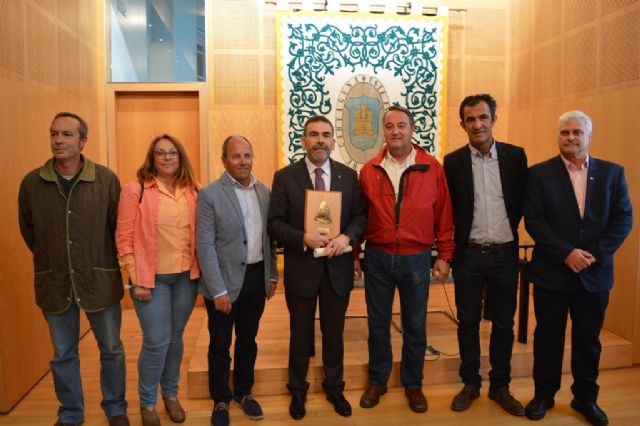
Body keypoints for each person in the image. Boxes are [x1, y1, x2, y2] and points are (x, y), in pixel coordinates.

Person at [18, 112, 129, 426]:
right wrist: (57, 258)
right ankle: (70, 412)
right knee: (63, 353)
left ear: (83, 141)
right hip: (55, 282)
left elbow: (117, 229)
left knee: (112, 349)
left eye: (67, 135)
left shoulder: (106, 180)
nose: (58, 140)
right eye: (54, 133)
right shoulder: (32, 183)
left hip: (99, 280)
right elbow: (30, 232)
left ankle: (115, 408)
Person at [523, 111, 632, 426]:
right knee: (548, 337)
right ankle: (544, 395)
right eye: (565, 133)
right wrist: (566, 253)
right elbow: (535, 221)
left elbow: (623, 218)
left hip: (594, 274)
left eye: (577, 132)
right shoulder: (539, 174)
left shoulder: (612, 173)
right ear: (558, 137)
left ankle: (585, 398)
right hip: (552, 272)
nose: (570, 138)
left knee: (588, 341)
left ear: (588, 136)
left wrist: (593, 254)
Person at [268, 115, 367, 420]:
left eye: (325, 135)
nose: (320, 140)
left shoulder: (348, 176)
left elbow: (360, 216)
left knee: (334, 334)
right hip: (302, 268)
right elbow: (274, 223)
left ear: (333, 142)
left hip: (337, 269)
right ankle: (297, 390)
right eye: (313, 134)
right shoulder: (285, 177)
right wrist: (302, 237)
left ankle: (334, 387)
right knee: (300, 334)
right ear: (303, 141)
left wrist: (347, 237)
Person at [357, 105, 455, 413]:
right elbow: (360, 216)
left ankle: (413, 384)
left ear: (412, 129)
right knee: (377, 325)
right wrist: (355, 255)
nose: (395, 131)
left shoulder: (431, 167)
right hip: (377, 257)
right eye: (389, 126)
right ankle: (378, 381)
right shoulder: (369, 169)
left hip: (416, 257)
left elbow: (444, 213)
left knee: (415, 325)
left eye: (401, 125)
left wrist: (445, 254)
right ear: (383, 131)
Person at [443, 94, 528, 415]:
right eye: (470, 119)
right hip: (469, 255)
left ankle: (500, 386)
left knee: (504, 324)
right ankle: (470, 383)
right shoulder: (453, 162)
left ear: (494, 118)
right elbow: (448, 209)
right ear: (462, 123)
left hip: (505, 254)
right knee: (467, 323)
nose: (477, 124)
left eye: (482, 117)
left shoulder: (515, 156)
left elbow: (522, 201)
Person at [116, 134, 200, 426]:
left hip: (186, 279)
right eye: (160, 153)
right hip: (150, 281)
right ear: (152, 158)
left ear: (181, 157)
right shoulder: (135, 190)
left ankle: (171, 395)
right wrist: (135, 278)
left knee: (175, 339)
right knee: (155, 341)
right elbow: (124, 238)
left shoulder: (194, 190)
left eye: (172, 152)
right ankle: (148, 402)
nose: (167, 157)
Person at [196, 135, 278, 426]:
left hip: (256, 278)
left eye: (247, 155)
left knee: (248, 340)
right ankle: (220, 399)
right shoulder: (209, 194)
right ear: (224, 160)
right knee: (220, 344)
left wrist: (272, 273)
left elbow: (269, 238)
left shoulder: (264, 191)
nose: (243, 161)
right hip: (223, 282)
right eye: (236, 156)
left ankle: (244, 392)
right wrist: (217, 290)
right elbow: (205, 245)